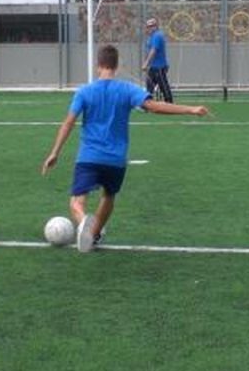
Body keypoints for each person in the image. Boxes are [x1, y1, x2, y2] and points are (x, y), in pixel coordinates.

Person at [42, 44, 208, 252]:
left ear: (98, 66)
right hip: (116, 159)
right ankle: (93, 235)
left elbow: (68, 122)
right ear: (116, 66)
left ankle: (84, 221)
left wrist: (55, 152)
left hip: (89, 156)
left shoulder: (84, 92)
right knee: (109, 196)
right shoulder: (127, 90)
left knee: (76, 202)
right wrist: (190, 109)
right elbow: (154, 106)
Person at [141, 17, 174, 103]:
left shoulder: (158, 36)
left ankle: (169, 102)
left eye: (151, 26)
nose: (149, 28)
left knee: (163, 85)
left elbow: (153, 51)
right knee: (149, 85)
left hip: (159, 66)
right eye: (148, 26)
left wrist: (146, 63)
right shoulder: (151, 37)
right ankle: (147, 102)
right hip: (153, 66)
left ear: (156, 26)